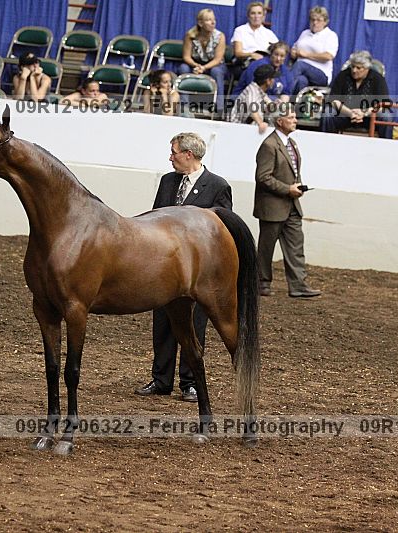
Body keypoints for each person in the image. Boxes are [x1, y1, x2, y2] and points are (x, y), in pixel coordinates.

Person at [135, 132, 233, 402]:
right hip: (165, 266)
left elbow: (221, 229)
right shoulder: (168, 181)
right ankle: (161, 379)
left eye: (174, 152)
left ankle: (189, 382)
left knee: (193, 326)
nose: (170, 158)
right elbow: (154, 218)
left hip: (198, 272)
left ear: (189, 154)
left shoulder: (218, 186)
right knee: (162, 325)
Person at [254, 107, 321, 298]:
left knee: (296, 246)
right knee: (266, 248)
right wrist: (287, 189)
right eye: (291, 117)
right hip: (272, 206)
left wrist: (296, 188)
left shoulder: (291, 143)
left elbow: (291, 172)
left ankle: (298, 285)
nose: (295, 120)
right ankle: (261, 283)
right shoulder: (269, 145)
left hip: (291, 204)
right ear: (279, 121)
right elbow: (263, 177)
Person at [320, 50, 393, 139]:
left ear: (367, 68)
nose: (354, 70)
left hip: (369, 117)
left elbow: (383, 104)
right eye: (353, 66)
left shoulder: (377, 78)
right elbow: (334, 101)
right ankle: (327, 142)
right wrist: (350, 113)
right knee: (328, 113)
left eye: (358, 68)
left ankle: (385, 145)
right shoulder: (343, 75)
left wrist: (364, 113)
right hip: (346, 114)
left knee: (386, 116)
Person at [180, 8, 228, 113]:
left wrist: (204, 68)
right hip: (195, 63)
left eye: (214, 19)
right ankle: (184, 105)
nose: (213, 22)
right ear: (200, 23)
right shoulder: (190, 35)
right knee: (183, 68)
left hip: (215, 65)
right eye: (209, 20)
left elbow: (218, 59)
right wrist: (196, 65)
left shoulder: (220, 36)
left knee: (217, 71)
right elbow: (186, 57)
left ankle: (219, 108)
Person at [290, 5, 339, 94]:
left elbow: (329, 56)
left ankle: (284, 94)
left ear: (325, 22)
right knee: (301, 80)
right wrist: (293, 52)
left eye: (318, 20)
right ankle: (296, 102)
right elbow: (295, 48)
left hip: (321, 74)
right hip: (302, 72)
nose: (315, 23)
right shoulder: (305, 33)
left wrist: (306, 55)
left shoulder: (330, 35)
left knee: (300, 65)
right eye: (312, 20)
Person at [229, 63, 277, 133]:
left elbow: (270, 106)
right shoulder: (251, 90)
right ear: (268, 81)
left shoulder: (261, 92)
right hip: (236, 130)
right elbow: (252, 110)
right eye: (273, 78)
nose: (274, 81)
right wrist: (260, 123)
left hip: (247, 129)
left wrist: (275, 105)